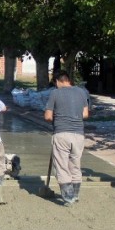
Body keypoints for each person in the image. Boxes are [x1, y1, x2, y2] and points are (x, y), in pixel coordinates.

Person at [43, 70, 89, 206]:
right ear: (68, 80)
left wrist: (55, 117)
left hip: (62, 133)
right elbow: (85, 114)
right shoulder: (82, 92)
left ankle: (68, 197)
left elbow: (48, 116)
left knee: (62, 166)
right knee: (75, 165)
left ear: (58, 81)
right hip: (79, 134)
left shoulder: (55, 93)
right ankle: (75, 194)